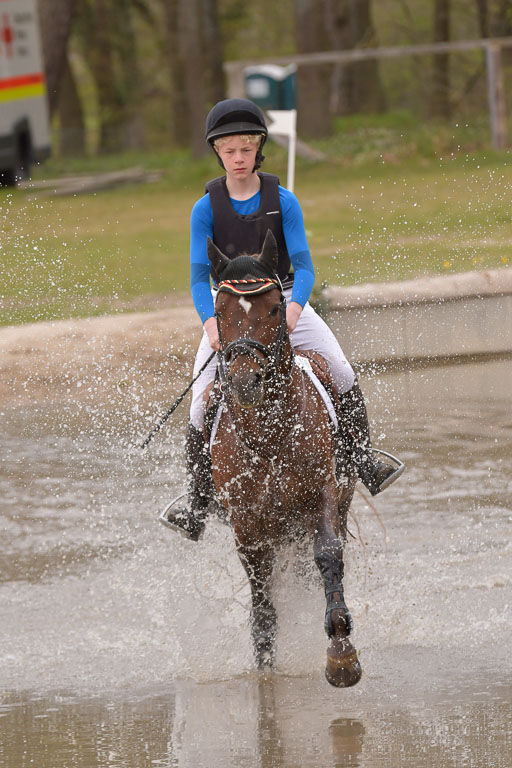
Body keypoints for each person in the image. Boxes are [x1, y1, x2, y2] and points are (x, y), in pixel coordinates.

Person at [165, 98, 403, 541]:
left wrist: (293, 312)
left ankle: (362, 457)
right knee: (200, 404)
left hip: (286, 299)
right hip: (230, 310)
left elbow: (306, 267)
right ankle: (197, 501)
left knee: (343, 371)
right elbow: (200, 278)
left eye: (246, 149)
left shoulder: (283, 200)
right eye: (230, 150)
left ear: (259, 149)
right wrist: (209, 323)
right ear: (218, 152)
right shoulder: (205, 209)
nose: (238, 158)